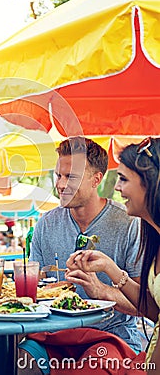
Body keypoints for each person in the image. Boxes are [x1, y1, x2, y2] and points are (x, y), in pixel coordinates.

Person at [18, 136, 142, 374]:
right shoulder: (46, 224)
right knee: (17, 362)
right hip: (54, 337)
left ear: (97, 179)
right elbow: (35, 291)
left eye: (71, 177)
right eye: (58, 176)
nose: (61, 185)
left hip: (110, 338)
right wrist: (50, 291)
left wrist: (103, 292)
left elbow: (143, 305)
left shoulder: (129, 224)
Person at [67, 136, 160, 373]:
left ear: (150, 184)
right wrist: (112, 269)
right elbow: (155, 312)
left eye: (124, 179)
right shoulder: (152, 237)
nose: (117, 187)